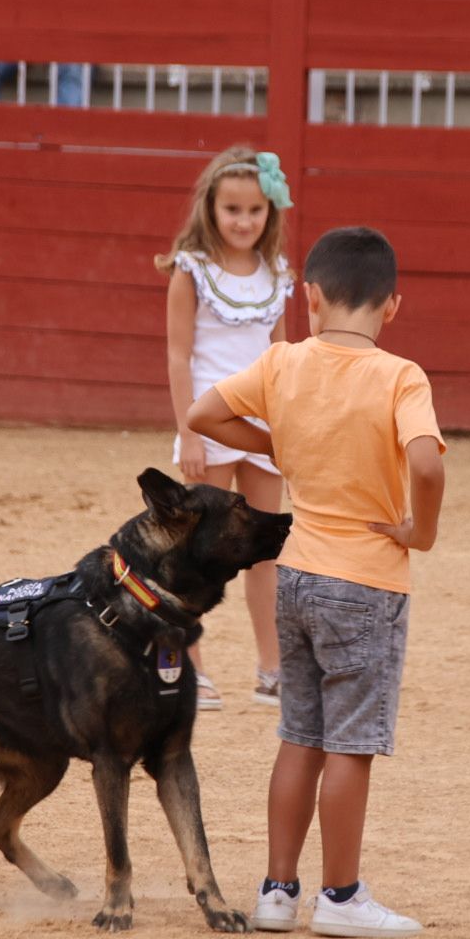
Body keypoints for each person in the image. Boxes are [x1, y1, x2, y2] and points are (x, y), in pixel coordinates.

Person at [187, 226, 445, 939]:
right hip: (366, 583)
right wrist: (420, 532)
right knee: (350, 746)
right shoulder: (401, 376)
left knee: (298, 736)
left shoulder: (282, 362)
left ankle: (277, 891)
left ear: (311, 297)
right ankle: (339, 896)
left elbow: (203, 415)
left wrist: (281, 442)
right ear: (392, 306)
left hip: (295, 574)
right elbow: (425, 464)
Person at [157, 147, 294, 711]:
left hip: (263, 426)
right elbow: (177, 355)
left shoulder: (278, 274)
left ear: (270, 212)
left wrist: (289, 426)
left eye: (254, 210)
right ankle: (192, 668)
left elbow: (283, 356)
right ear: (210, 208)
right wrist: (188, 431)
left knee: (266, 551)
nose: (243, 221)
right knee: (199, 551)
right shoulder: (191, 270)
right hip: (209, 423)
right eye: (232, 208)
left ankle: (273, 668)